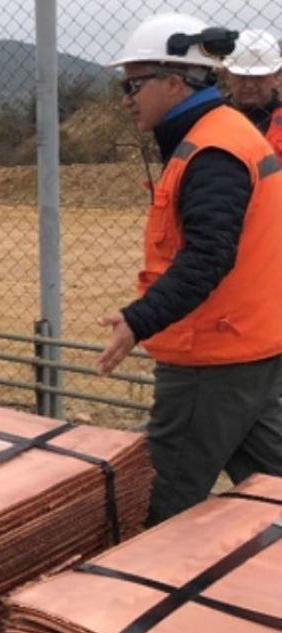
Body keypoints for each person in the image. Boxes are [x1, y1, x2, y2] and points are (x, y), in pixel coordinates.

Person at [97, 14, 282, 525]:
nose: (126, 98)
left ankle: (142, 600)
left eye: (133, 84)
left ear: (174, 81)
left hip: (213, 356)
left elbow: (207, 256)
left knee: (158, 507)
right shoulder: (220, 135)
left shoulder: (214, 151)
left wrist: (140, 319)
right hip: (249, 347)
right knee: (272, 485)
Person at [222, 29, 282, 155]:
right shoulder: (208, 120)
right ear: (226, 75)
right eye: (241, 76)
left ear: (277, 75)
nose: (249, 85)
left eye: (259, 77)